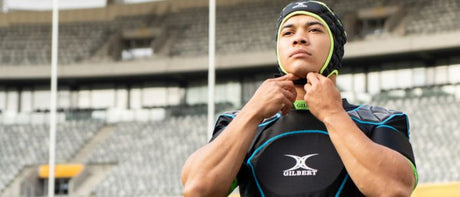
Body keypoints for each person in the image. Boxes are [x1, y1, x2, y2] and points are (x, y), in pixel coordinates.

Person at [181, 1, 417, 196]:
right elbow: (197, 189)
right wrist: (252, 111)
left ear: (335, 48)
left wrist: (332, 114)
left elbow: (393, 189)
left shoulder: (380, 121)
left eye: (314, 30)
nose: (299, 39)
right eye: (288, 32)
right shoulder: (240, 123)